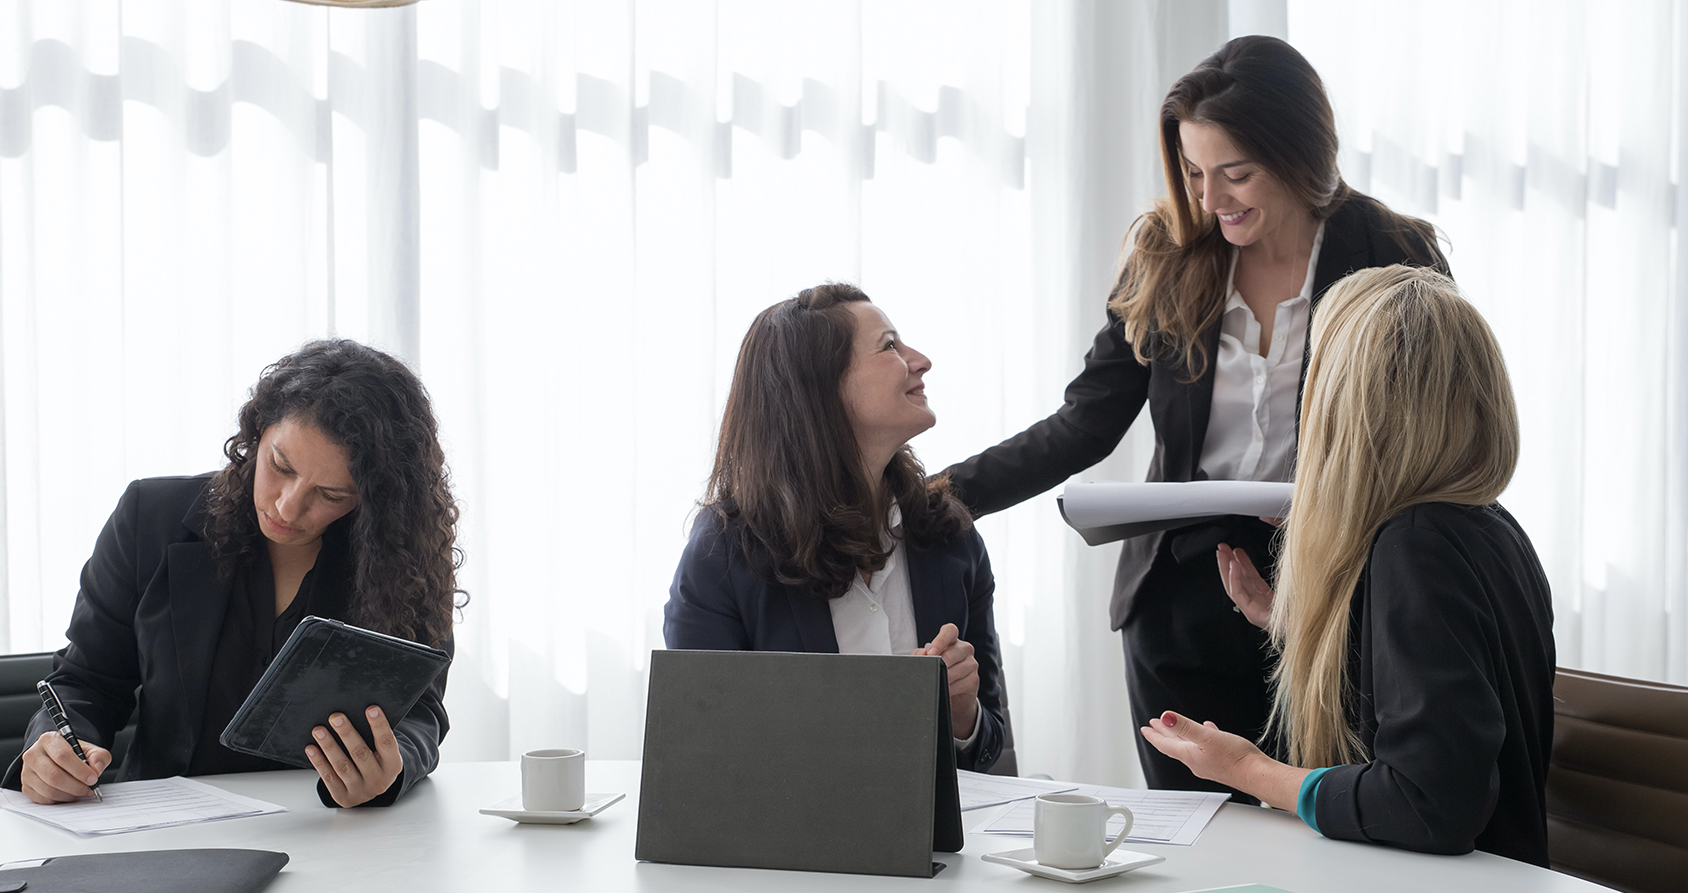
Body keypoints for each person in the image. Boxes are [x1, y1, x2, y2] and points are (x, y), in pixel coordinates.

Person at [941, 35, 1447, 796]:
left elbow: (1430, 438)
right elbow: (1085, 421)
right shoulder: (1168, 255)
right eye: (1193, 171)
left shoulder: (1396, 254)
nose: (1210, 200)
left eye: (1235, 173)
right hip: (1179, 598)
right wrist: (943, 494)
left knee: (1326, 821)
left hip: (1330, 590)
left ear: (1301, 154)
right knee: (1193, 837)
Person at [1141, 265, 1554, 865]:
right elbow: (1442, 692)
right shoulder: (1488, 524)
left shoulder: (1417, 546)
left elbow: (1427, 801)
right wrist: (1301, 625)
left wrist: (1248, 769)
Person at [3, 339, 463, 808]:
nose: (288, 506)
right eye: (280, 466)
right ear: (257, 433)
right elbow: (85, 681)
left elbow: (419, 706)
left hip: (327, 824)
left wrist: (392, 767)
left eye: (330, 494)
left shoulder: (403, 556)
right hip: (161, 827)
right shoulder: (150, 518)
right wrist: (53, 752)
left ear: (371, 498)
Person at [665, 283, 1009, 773]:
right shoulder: (724, 551)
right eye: (890, 346)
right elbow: (699, 753)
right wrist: (879, 714)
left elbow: (987, 745)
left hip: (938, 848)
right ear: (820, 388)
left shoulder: (950, 537)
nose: (921, 360)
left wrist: (962, 714)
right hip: (784, 847)